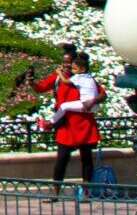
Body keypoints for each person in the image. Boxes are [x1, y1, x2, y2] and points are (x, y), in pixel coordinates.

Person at [38, 46, 103, 188]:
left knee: (86, 158)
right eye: (64, 62)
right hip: (66, 125)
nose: (67, 66)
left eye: (70, 63)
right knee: (61, 159)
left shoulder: (84, 78)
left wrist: (92, 101)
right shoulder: (58, 78)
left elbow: (102, 95)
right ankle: (56, 191)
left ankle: (87, 190)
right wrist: (31, 81)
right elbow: (40, 88)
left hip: (84, 122)